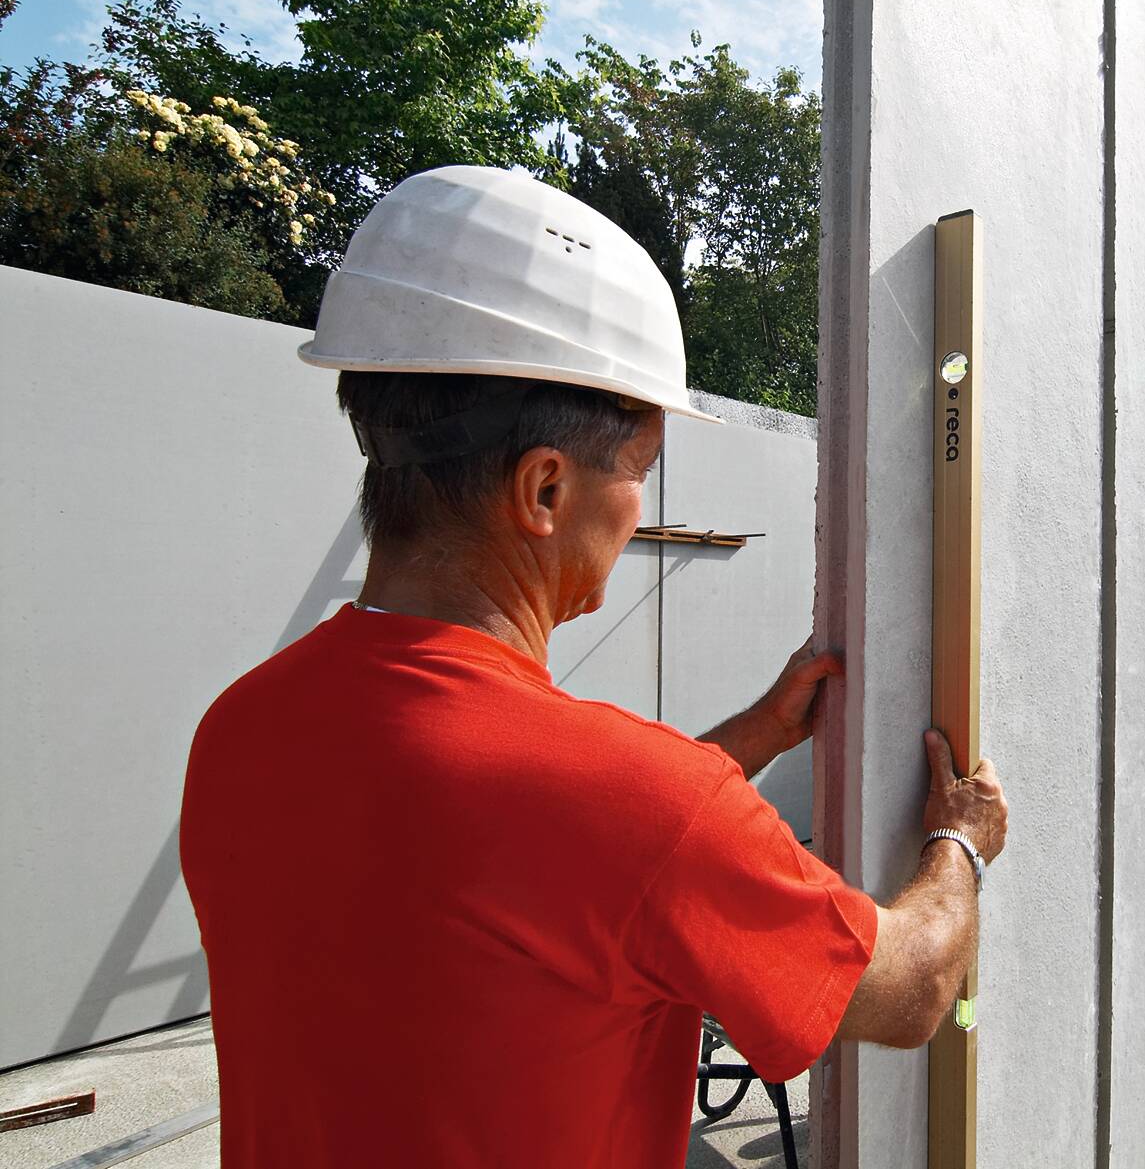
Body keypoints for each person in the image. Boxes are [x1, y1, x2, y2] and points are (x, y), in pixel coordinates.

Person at [180, 166, 1008, 1167]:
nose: (637, 512)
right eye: (640, 473)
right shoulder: (639, 806)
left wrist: (754, 735)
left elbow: (528, 860)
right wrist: (956, 845)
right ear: (542, 487)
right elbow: (911, 989)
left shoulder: (244, 726)